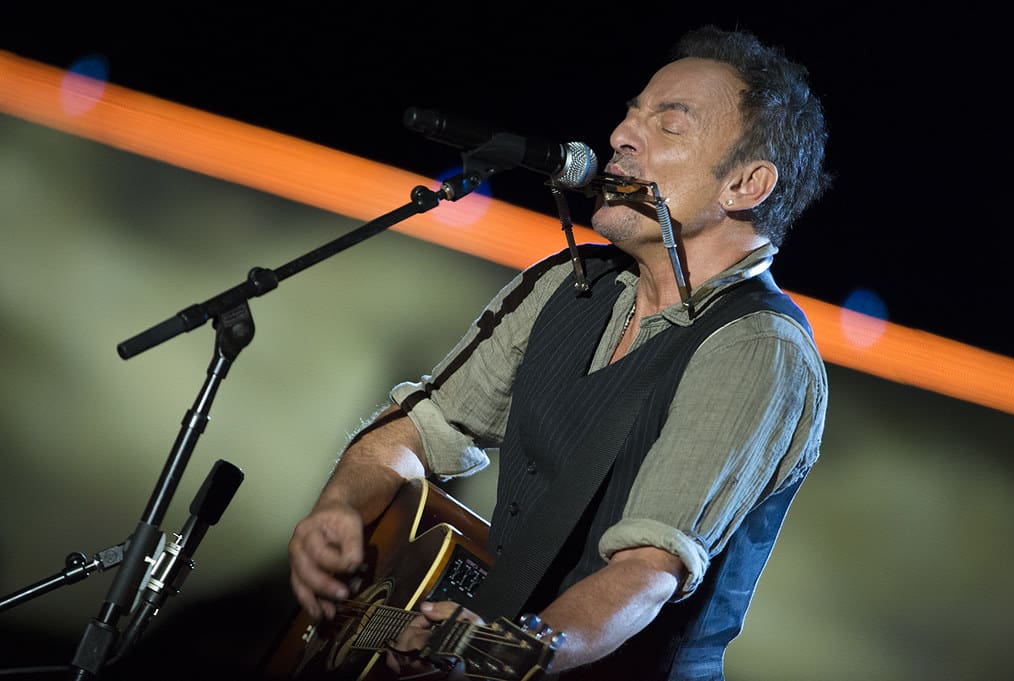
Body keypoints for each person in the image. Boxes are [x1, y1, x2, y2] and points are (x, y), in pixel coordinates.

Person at [286, 24, 831, 681]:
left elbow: (645, 572)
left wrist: (508, 649)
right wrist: (340, 507)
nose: (621, 136)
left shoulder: (756, 348)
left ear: (745, 184)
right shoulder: (564, 285)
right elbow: (418, 431)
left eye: (668, 124)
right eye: (631, 114)